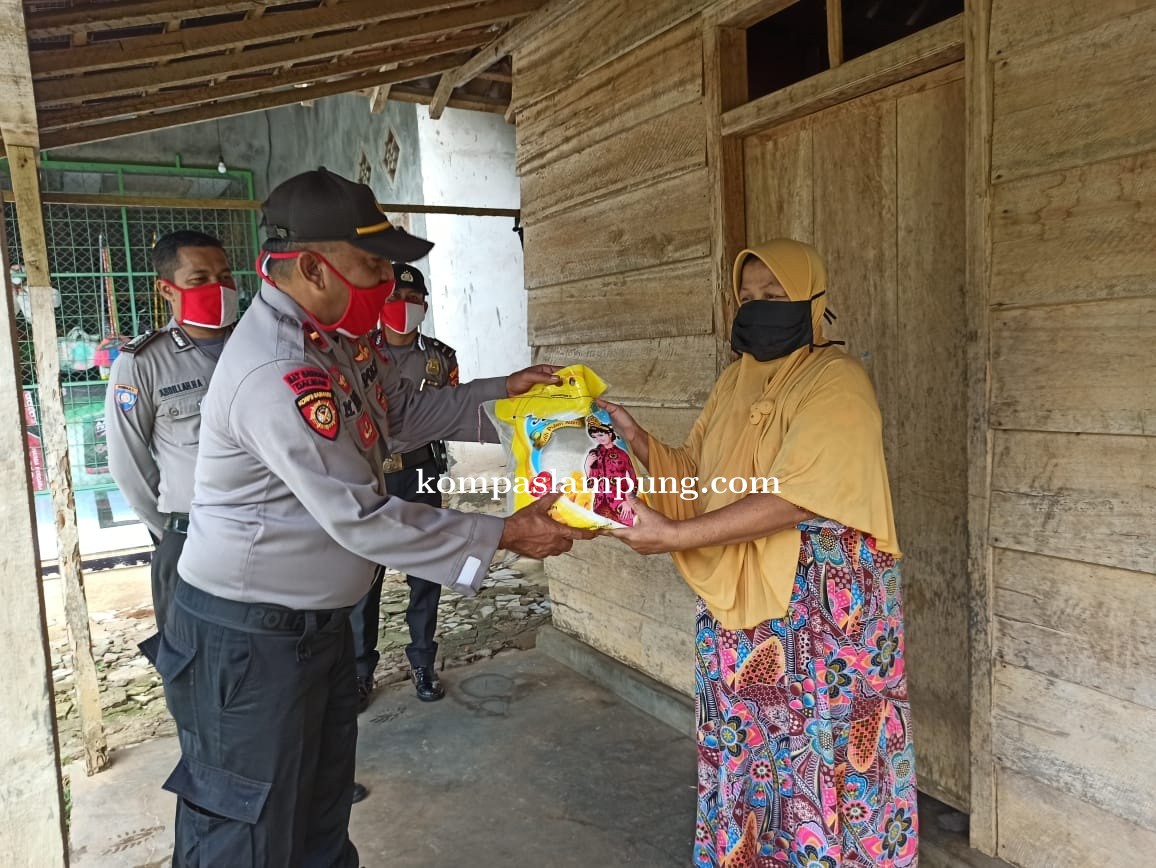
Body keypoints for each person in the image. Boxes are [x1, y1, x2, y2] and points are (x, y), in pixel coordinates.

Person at [158, 167, 592, 868]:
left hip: (310, 630)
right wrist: (506, 531)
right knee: (248, 835)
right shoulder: (279, 371)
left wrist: (507, 397)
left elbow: (404, 414)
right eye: (372, 268)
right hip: (250, 641)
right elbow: (361, 517)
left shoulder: (329, 343)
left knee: (321, 815)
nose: (389, 287)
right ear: (311, 268)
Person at [602, 239, 917, 867]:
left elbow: (797, 498)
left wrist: (672, 536)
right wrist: (636, 440)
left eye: (776, 296)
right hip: (742, 614)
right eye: (749, 297)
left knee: (822, 749)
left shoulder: (838, 381)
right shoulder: (733, 382)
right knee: (751, 748)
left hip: (824, 615)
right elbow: (696, 474)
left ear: (812, 302)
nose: (759, 308)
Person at [105, 230, 237, 641]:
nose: (218, 287)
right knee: (196, 659)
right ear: (167, 288)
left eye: (225, 276)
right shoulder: (142, 362)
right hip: (192, 535)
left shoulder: (258, 345)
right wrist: (171, 530)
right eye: (199, 279)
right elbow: (128, 465)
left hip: (271, 530)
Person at [351, 262, 457, 706]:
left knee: (426, 573)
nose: (403, 308)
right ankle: (359, 670)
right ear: (379, 303)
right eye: (394, 298)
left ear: (424, 306)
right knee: (363, 578)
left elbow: (450, 409)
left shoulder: (441, 358)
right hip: (372, 476)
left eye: (412, 300)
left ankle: (422, 662)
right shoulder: (357, 353)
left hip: (420, 473)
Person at [583, 415, 638, 525]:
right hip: (600, 504)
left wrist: (628, 501)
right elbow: (592, 482)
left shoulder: (622, 454)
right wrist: (587, 466)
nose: (598, 439)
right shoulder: (595, 454)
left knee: (626, 529)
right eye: (595, 436)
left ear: (610, 433)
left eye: (601, 434)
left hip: (621, 502)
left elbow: (632, 478)